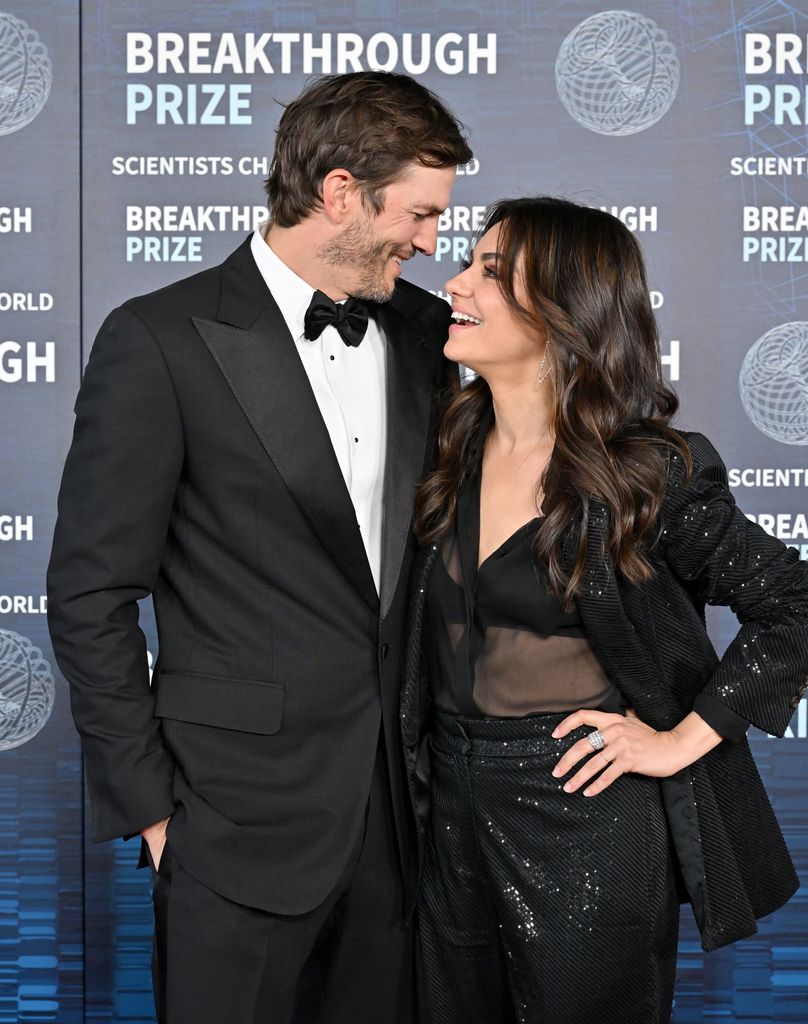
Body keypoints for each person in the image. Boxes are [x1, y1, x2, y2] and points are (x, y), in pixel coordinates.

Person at [47, 71, 471, 1024]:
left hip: (403, 825)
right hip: (230, 827)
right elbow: (88, 594)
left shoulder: (425, 333)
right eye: (418, 212)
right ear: (337, 193)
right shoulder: (159, 339)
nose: (432, 241)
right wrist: (156, 816)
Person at [402, 196, 806, 1024]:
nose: (453, 282)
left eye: (488, 270)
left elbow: (794, 605)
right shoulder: (447, 442)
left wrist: (677, 742)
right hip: (443, 811)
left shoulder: (646, 474)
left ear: (561, 308)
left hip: (584, 817)